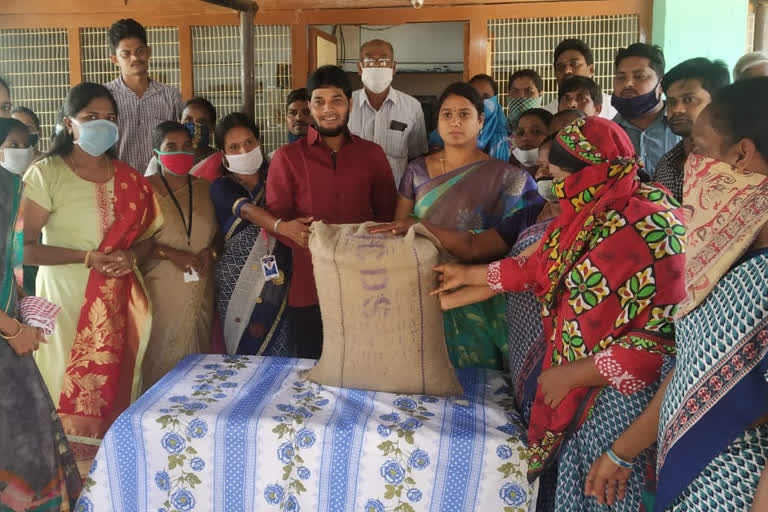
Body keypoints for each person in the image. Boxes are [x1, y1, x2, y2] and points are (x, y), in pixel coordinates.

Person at [431, 116, 687, 510]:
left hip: (619, 401)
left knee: (607, 493)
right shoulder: (584, 215)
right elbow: (536, 268)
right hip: (570, 386)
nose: (548, 178)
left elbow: (668, 339)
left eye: (557, 173)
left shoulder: (655, 225)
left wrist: (575, 373)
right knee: (573, 490)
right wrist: (464, 276)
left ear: (590, 171)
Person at [584, 78, 768, 511]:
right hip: (691, 477)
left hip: (740, 486)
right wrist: (621, 451)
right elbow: (694, 368)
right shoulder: (727, 254)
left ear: (741, 154)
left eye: (698, 150)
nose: (691, 166)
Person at [21, 82, 163, 472]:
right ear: (69, 124)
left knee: (116, 390)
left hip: (117, 306)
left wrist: (131, 254)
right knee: (60, 388)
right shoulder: (45, 173)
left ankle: (108, 477)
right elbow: (25, 247)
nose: (103, 125)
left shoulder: (131, 179)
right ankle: (66, 480)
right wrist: (87, 257)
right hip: (62, 307)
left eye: (110, 119)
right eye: (91, 118)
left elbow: (150, 240)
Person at [373, 82, 540, 370]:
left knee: (477, 383)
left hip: (478, 292)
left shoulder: (509, 178)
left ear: (480, 121)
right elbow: (400, 229)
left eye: (464, 114)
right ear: (436, 122)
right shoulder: (415, 171)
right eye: (447, 115)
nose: (455, 122)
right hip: (422, 287)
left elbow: (522, 245)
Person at [267, 65, 397, 359]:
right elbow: (280, 219)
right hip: (309, 284)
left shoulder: (372, 155)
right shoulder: (287, 158)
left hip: (365, 283)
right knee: (311, 369)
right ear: (310, 106)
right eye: (319, 101)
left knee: (366, 364)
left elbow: (387, 216)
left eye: (336, 100)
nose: (328, 109)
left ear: (349, 103)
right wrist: (304, 238)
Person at [0, 117, 83, 512]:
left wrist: (22, 308)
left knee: (28, 444)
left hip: (10, 341)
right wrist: (13, 328)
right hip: (6, 339)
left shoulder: (6, 187)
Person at [210, 113, 308, 356]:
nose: (244, 150)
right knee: (243, 355)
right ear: (223, 155)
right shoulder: (221, 187)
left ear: (260, 142)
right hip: (236, 286)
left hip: (280, 282)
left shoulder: (278, 177)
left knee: (283, 348)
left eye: (249, 143)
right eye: (234, 147)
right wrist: (283, 227)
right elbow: (249, 211)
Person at [140, 121, 217, 390]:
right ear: (155, 154)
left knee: (197, 358)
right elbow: (133, 244)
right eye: (171, 147)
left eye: (187, 147)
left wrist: (212, 252)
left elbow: (217, 235)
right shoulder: (143, 190)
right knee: (159, 358)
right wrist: (170, 253)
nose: (181, 153)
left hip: (201, 286)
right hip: (160, 288)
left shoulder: (206, 188)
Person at [105, 18, 183, 173]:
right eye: (126, 54)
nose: (134, 58)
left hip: (162, 184)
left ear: (148, 52)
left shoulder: (171, 97)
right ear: (114, 59)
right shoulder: (104, 98)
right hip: (119, 184)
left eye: (139, 51)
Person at [348, 39, 428, 186]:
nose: (377, 65)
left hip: (397, 197)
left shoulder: (412, 107)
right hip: (353, 195)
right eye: (369, 61)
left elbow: (417, 157)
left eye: (384, 61)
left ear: (393, 67)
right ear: (360, 68)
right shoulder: (345, 106)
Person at [654, 57, 730, 202]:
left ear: (717, 103)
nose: (677, 109)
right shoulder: (665, 165)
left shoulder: (736, 164)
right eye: (671, 102)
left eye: (689, 100)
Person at [612, 43, 681, 178]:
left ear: (660, 85)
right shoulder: (607, 133)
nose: (628, 84)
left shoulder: (683, 128)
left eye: (639, 76)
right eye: (621, 78)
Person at [146, 96, 223, 182]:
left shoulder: (220, 163)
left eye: (201, 121)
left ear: (212, 127)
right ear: (180, 122)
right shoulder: (162, 158)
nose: (194, 126)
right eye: (188, 120)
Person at [543, 39, 618, 120]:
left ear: (591, 70)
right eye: (560, 67)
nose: (567, 70)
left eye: (574, 64)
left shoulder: (615, 109)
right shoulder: (547, 116)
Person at [268, 88, 310, 161]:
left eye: (306, 112)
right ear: (286, 118)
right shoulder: (274, 159)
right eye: (292, 113)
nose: (298, 118)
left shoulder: (327, 156)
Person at [511, 108, 553, 174]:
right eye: (520, 132)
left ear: (552, 135)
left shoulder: (562, 179)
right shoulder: (502, 174)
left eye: (536, 131)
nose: (525, 138)